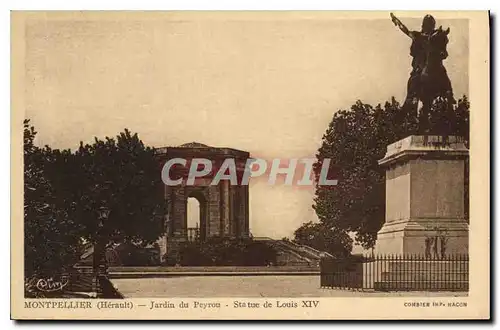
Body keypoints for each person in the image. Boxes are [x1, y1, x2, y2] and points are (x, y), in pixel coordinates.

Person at [390, 13, 437, 111]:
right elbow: (406, 31)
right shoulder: (418, 36)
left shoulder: (434, 37)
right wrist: (397, 22)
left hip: (430, 70)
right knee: (414, 92)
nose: (430, 28)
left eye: (431, 25)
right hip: (418, 69)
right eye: (428, 25)